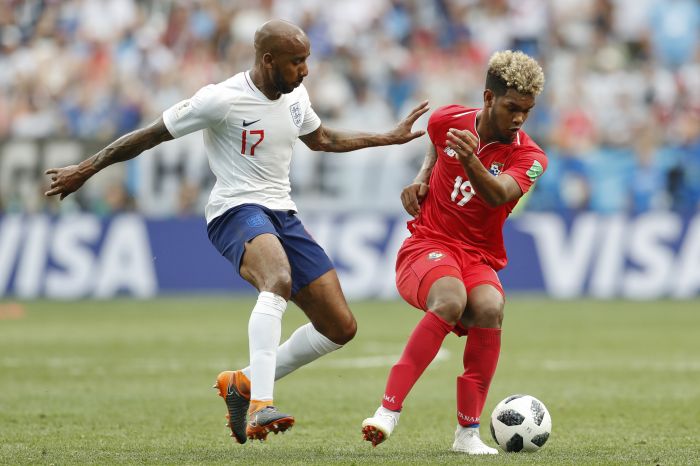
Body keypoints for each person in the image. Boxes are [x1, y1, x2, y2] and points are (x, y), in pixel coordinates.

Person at [45, 19, 429, 443]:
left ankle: (241, 382)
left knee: (340, 327)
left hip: (283, 213)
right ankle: (261, 405)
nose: (305, 71)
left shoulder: (295, 96)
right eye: (296, 62)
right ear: (268, 60)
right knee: (277, 280)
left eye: (306, 61)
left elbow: (323, 140)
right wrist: (86, 168)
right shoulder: (221, 99)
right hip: (235, 209)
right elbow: (149, 136)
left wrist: (388, 137)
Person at [361, 50, 546, 455]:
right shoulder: (450, 119)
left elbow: (496, 195)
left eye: (527, 111)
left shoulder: (531, 158)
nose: (519, 119)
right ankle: (388, 410)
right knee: (450, 299)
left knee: (491, 306)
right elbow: (436, 135)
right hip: (428, 243)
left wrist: (468, 159)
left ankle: (467, 433)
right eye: (512, 107)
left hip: (478, 255)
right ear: (488, 97)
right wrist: (421, 177)